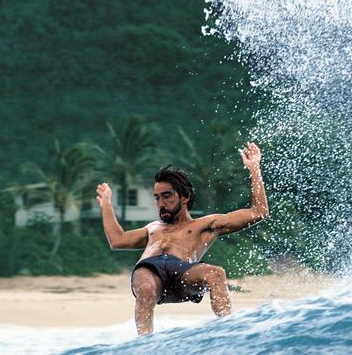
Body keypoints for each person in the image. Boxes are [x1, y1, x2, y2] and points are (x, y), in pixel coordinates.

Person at [96, 142, 269, 335]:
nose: (161, 203)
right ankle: (144, 346)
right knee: (145, 289)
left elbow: (258, 212)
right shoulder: (152, 228)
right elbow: (117, 240)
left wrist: (254, 169)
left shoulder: (205, 225)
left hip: (183, 272)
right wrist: (106, 205)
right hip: (150, 270)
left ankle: (228, 334)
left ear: (184, 197)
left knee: (215, 273)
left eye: (167, 196)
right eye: (157, 198)